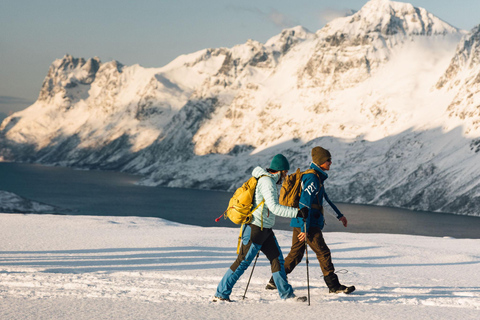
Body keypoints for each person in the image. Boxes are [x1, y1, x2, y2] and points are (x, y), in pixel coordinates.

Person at [214, 154, 309, 302]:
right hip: (255, 228)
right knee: (242, 262)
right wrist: (297, 212)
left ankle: (287, 295)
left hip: (265, 229)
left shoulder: (267, 180)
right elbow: (274, 207)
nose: (285, 177)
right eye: (285, 173)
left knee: (277, 260)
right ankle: (221, 293)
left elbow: (269, 208)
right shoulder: (267, 182)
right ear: (280, 171)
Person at [266, 146, 355, 294]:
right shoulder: (313, 178)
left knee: (296, 255)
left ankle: (275, 280)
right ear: (321, 161)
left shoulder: (316, 177)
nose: (331, 162)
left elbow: (324, 201)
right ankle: (333, 286)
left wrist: (340, 216)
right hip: (308, 223)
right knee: (323, 252)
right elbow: (304, 204)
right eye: (328, 160)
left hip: (302, 221)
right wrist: (304, 228)